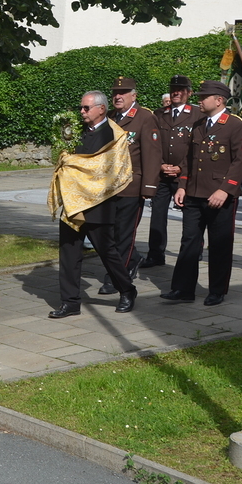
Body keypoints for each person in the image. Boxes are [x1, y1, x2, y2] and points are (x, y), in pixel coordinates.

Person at [48, 91, 137, 318]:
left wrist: (76, 165)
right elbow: (64, 156)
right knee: (68, 253)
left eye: (86, 108)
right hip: (74, 201)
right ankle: (70, 302)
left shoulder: (114, 135)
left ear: (101, 109)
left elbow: (110, 169)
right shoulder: (74, 131)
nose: (82, 112)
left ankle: (127, 290)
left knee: (107, 251)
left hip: (99, 203)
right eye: (81, 107)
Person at [162, 81, 242, 306]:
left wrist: (225, 189)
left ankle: (217, 290)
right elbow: (189, 159)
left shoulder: (235, 124)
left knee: (219, 244)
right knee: (189, 241)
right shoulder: (199, 124)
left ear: (219, 100)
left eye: (204, 97)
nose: (199, 100)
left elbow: (241, 161)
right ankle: (183, 289)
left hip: (219, 196)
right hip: (194, 193)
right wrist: (182, 185)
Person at [97, 77, 160, 295]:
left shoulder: (145, 117)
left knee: (123, 234)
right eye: (115, 93)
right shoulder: (110, 117)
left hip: (131, 186)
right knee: (109, 233)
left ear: (134, 95)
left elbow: (152, 154)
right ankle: (132, 260)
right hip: (109, 187)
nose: (118, 96)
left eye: (123, 93)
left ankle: (116, 278)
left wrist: (149, 187)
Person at [143, 75, 204, 267]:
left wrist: (181, 168)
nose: (176, 93)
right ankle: (155, 254)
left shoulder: (197, 114)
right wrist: (160, 164)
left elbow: (197, 148)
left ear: (189, 93)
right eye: (173, 89)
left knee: (191, 218)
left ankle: (193, 252)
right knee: (157, 216)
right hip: (162, 174)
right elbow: (153, 144)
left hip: (185, 175)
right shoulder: (159, 114)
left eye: (180, 90)